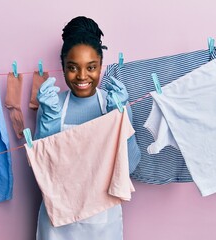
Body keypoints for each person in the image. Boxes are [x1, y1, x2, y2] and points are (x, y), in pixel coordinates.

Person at [33, 16, 140, 240]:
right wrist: (48, 122)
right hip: (57, 224)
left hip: (102, 223)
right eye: (72, 67)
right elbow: (42, 170)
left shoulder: (114, 105)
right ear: (62, 67)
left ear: (101, 65)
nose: (82, 76)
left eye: (91, 67)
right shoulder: (53, 107)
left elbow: (130, 166)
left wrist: (119, 119)